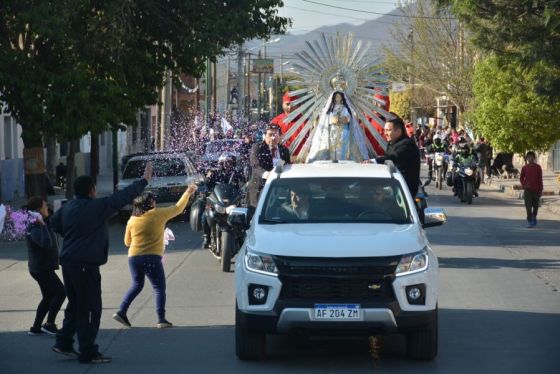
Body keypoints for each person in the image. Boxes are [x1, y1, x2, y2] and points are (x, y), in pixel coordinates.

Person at [50, 162, 153, 364]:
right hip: (85, 265)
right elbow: (121, 197)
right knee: (89, 309)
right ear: (91, 191)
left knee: (76, 304)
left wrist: (72, 237)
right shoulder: (97, 207)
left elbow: (54, 224)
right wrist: (144, 180)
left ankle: (63, 342)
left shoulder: (68, 206)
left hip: (69, 262)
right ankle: (88, 351)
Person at [113, 183, 197, 329]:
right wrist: (188, 192)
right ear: (150, 203)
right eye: (153, 201)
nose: (155, 203)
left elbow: (127, 242)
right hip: (151, 257)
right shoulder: (158, 214)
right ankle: (161, 319)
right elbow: (178, 208)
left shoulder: (132, 220)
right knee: (159, 288)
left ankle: (121, 311)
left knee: (137, 285)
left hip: (133, 258)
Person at [26, 196, 66, 336]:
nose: (47, 208)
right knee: (61, 292)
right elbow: (45, 243)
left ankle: (36, 328)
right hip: (40, 268)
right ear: (38, 210)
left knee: (48, 296)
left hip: (42, 267)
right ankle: (49, 324)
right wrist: (42, 225)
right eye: (44, 206)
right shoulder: (34, 225)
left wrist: (46, 221)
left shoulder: (40, 222)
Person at [306, 91, 370, 162]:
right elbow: (326, 118)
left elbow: (349, 117)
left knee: (343, 147)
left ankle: (343, 161)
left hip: (344, 130)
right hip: (333, 131)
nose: (338, 98)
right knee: (333, 148)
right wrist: (332, 119)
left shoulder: (345, 108)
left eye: (339, 96)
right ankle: (333, 162)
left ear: (342, 98)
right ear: (333, 98)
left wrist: (345, 119)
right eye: (336, 96)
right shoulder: (330, 109)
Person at [201, 153, 243, 248]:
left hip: (232, 202)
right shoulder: (215, 173)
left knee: (242, 216)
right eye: (227, 162)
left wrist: (244, 188)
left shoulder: (236, 173)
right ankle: (206, 237)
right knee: (205, 216)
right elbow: (207, 185)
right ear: (221, 163)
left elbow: (243, 184)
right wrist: (207, 179)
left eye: (231, 163)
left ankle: (240, 238)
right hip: (216, 201)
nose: (229, 165)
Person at [248, 123, 291, 211]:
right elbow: (255, 164)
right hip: (260, 189)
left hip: (280, 192)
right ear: (265, 136)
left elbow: (287, 166)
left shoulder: (284, 150)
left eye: (276, 135)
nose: (273, 138)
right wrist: (265, 174)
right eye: (270, 135)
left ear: (280, 136)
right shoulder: (257, 147)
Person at [375, 115, 421, 197]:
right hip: (392, 186)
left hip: (403, 193)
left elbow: (393, 158)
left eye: (388, 130)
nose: (385, 133)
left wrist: (375, 161)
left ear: (399, 131)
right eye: (384, 130)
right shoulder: (391, 143)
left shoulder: (407, 145)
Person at [520, 151, 543, 227]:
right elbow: (521, 178)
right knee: (528, 206)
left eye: (531, 157)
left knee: (536, 206)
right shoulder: (524, 168)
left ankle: (534, 216)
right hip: (527, 190)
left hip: (536, 190)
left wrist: (541, 190)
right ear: (526, 158)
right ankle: (530, 220)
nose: (530, 158)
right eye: (528, 157)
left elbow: (540, 179)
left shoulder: (538, 167)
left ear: (534, 158)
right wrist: (524, 185)